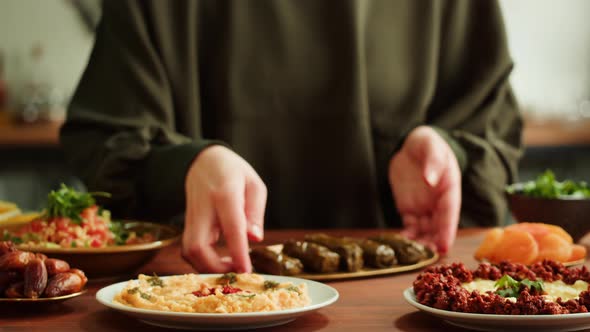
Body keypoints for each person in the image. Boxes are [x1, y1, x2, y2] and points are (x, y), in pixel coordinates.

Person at [60, 0, 523, 273]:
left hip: (401, 299)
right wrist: (185, 164)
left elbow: (492, 125)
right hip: (201, 291)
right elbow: (105, 134)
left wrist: (447, 149)